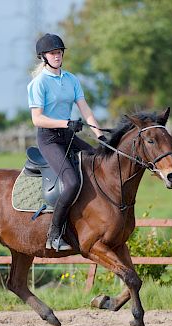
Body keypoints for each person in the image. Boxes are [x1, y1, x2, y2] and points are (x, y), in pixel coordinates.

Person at [27, 33, 105, 251]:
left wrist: (100, 135)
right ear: (43, 57)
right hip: (49, 139)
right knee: (71, 182)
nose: (57, 56)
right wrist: (65, 123)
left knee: (99, 162)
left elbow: (85, 109)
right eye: (53, 53)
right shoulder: (38, 83)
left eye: (59, 52)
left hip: (68, 135)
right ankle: (54, 234)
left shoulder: (71, 79)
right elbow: (37, 119)